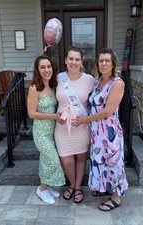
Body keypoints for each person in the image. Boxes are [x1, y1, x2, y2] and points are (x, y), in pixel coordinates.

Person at [72, 48, 128, 211]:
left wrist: (84, 120)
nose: (103, 63)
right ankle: (105, 187)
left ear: (113, 64)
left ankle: (116, 197)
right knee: (99, 161)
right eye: (101, 60)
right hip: (97, 132)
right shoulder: (97, 81)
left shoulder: (117, 83)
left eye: (107, 61)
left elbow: (107, 111)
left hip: (109, 133)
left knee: (113, 163)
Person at [54, 46, 95, 203]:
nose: (73, 62)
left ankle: (77, 188)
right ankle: (71, 184)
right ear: (65, 60)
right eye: (70, 58)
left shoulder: (90, 80)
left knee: (81, 158)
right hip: (62, 128)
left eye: (77, 59)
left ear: (81, 62)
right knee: (66, 160)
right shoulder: (58, 78)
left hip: (81, 127)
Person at [27, 55, 65, 204]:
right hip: (41, 132)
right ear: (37, 70)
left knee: (45, 161)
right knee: (53, 160)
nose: (46, 70)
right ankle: (41, 189)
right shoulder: (34, 88)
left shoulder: (53, 85)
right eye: (42, 67)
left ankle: (46, 187)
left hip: (52, 131)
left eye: (49, 66)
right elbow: (31, 114)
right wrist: (53, 116)